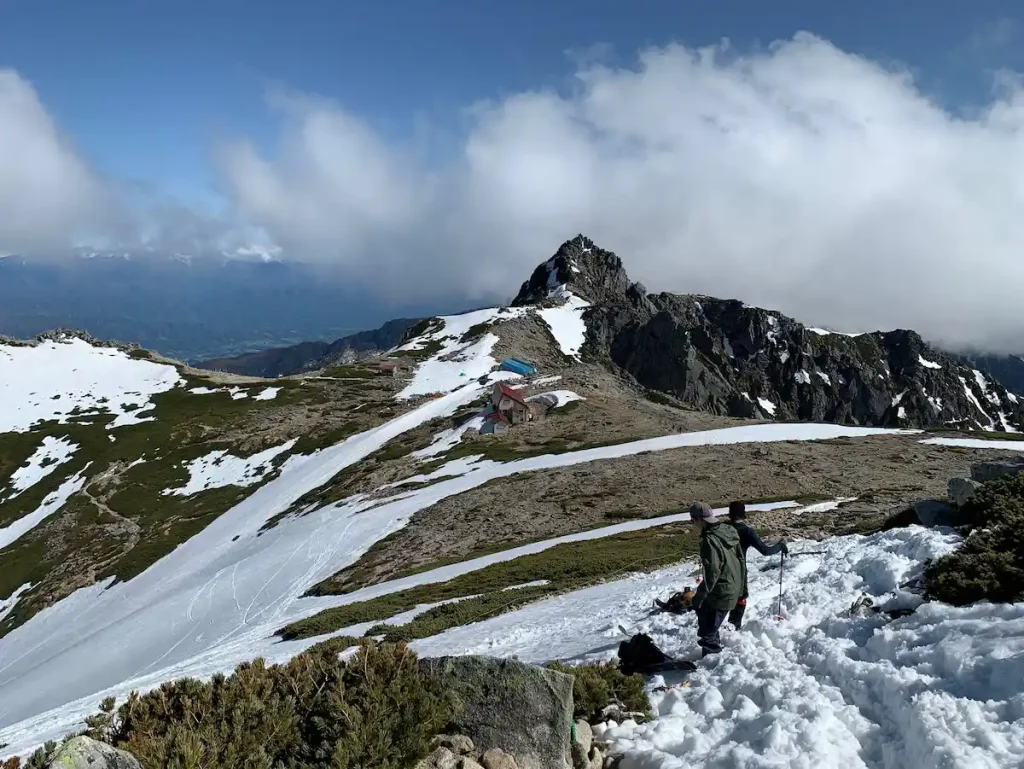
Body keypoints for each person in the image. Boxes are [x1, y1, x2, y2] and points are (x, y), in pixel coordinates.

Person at [688, 502, 745, 657]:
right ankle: (714, 657)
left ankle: (712, 661)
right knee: (711, 625)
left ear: (699, 519)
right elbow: (741, 559)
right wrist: (740, 588)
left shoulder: (709, 540)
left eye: (693, 520)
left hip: (720, 592)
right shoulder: (729, 530)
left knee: (707, 630)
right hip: (733, 586)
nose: (693, 524)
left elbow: (712, 572)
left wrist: (699, 596)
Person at [726, 501, 789, 629]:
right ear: (743, 515)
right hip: (738, 570)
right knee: (740, 596)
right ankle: (733, 627)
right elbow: (765, 551)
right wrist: (780, 546)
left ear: (730, 514)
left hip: (721, 569)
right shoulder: (747, 531)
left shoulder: (722, 528)